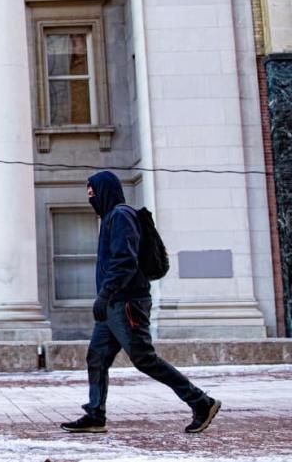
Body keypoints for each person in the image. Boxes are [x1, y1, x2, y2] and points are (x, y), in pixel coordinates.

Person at [61, 171, 221, 435]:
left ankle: (201, 402)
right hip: (113, 305)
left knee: (144, 358)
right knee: (97, 357)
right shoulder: (111, 218)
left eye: (94, 194)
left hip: (127, 303)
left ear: (106, 191)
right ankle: (95, 414)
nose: (91, 200)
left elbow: (125, 261)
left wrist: (105, 294)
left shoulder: (121, 216)